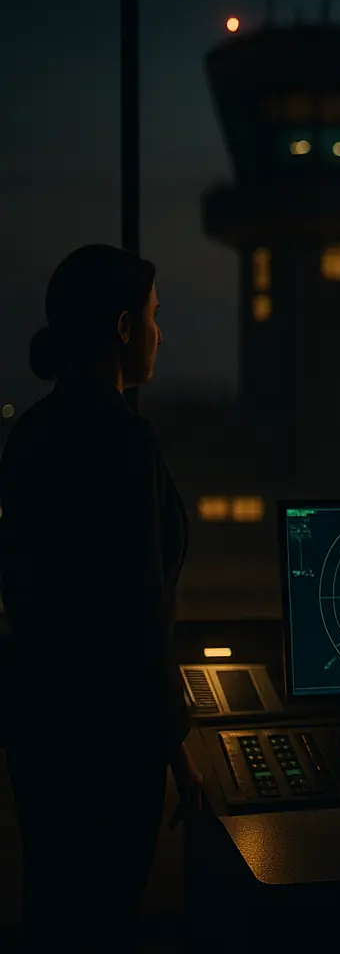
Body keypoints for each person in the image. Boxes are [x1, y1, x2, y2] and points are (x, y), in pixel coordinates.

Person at [0, 245, 204, 949]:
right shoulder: (126, 442)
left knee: (55, 909)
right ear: (122, 328)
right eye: (152, 316)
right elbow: (140, 613)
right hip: (112, 747)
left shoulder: (27, 435)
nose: (158, 332)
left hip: (41, 730)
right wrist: (177, 751)